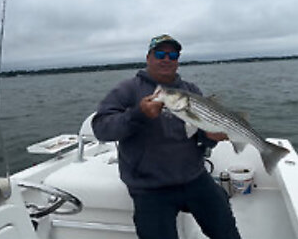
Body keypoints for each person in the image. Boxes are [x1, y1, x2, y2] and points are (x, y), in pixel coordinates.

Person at [91, 34, 241, 239]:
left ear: (178, 61)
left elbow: (200, 138)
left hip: (194, 178)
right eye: (160, 53)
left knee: (227, 232)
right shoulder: (127, 89)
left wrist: (210, 137)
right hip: (149, 188)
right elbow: (101, 129)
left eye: (173, 55)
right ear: (148, 57)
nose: (166, 59)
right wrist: (138, 114)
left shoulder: (191, 90)